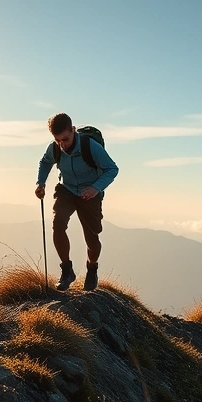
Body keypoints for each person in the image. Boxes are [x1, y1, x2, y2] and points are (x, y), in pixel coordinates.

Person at [35, 112, 119, 291]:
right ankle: (67, 271)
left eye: (65, 139)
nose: (62, 144)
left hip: (90, 193)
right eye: (58, 140)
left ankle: (92, 268)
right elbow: (45, 161)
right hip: (66, 189)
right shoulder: (55, 147)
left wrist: (95, 188)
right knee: (58, 224)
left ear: (73, 130)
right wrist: (40, 183)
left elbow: (112, 169)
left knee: (92, 237)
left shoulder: (91, 146)